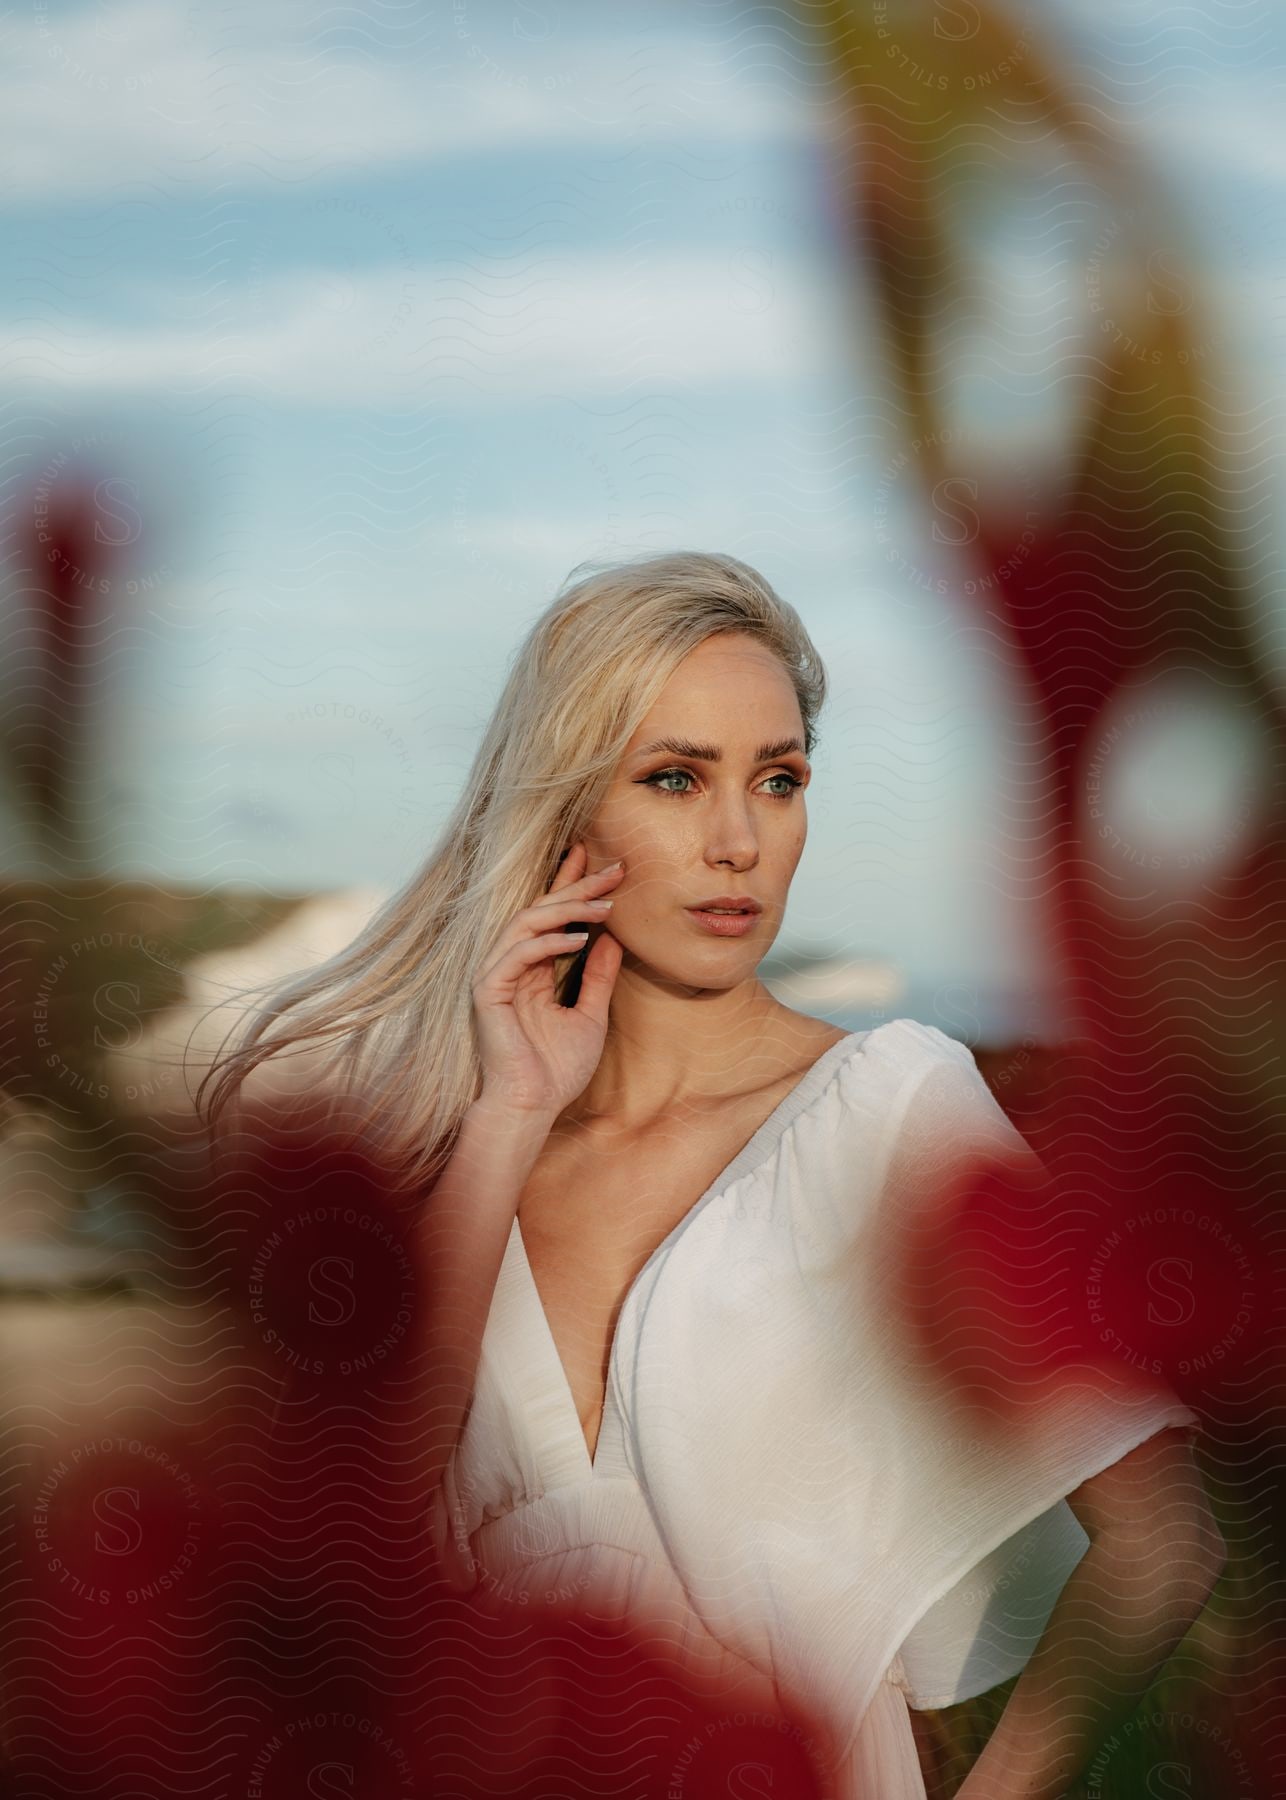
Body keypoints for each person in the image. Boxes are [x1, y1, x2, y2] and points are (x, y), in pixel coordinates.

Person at [200, 551, 1225, 1798]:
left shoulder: (886, 1108)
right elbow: (355, 1531)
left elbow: (1161, 1543)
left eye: (778, 781)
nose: (738, 841)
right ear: (571, 816)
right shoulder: (468, 1147)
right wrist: (513, 1108)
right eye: (674, 779)